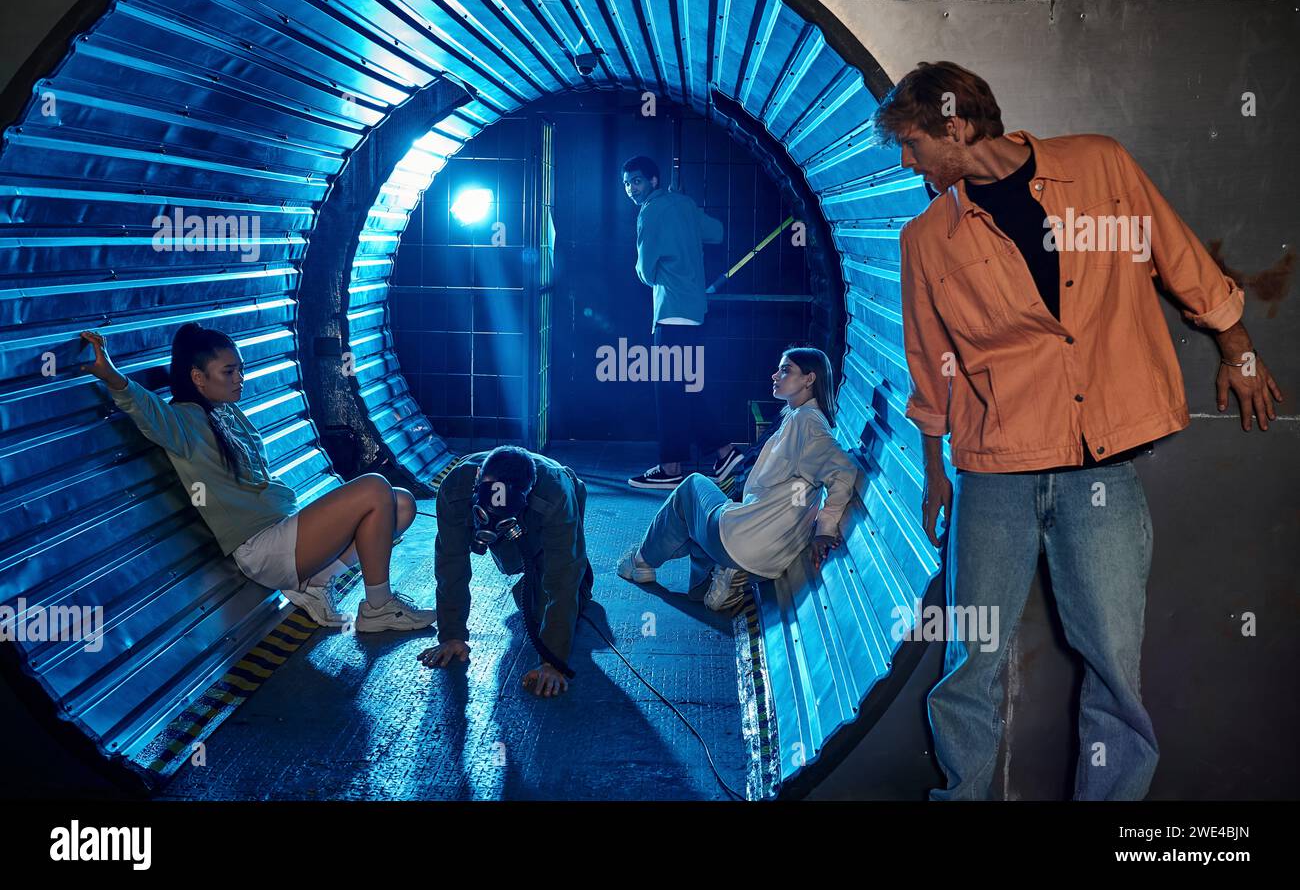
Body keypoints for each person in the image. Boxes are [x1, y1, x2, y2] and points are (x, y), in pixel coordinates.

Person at [874, 61, 1284, 800]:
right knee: (970, 659)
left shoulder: (1101, 167)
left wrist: (1238, 347)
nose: (907, 162)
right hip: (994, 467)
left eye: (911, 144)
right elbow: (928, 362)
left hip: (1101, 468)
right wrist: (935, 474)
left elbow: (1178, 255)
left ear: (955, 127)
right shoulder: (925, 237)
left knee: (1113, 665)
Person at [78, 324, 435, 633]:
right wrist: (109, 372)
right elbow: (145, 409)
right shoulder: (183, 422)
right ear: (197, 378)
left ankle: (315, 583)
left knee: (401, 503)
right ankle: (378, 607)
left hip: (286, 531)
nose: (240, 379)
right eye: (228, 372)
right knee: (374, 488)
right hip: (262, 548)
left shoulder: (227, 412)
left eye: (241, 370)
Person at [618, 347, 859, 612]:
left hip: (744, 540)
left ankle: (640, 562)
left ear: (809, 379)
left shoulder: (808, 423)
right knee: (699, 522)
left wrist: (824, 530)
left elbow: (844, 470)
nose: (774, 375)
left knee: (691, 486)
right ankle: (713, 582)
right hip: (772, 557)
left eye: (785, 370)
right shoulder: (802, 418)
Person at [417, 446, 594, 697]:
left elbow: (562, 579)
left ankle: (581, 580)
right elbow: (450, 563)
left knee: (553, 588)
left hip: (557, 499)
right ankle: (531, 579)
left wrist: (552, 662)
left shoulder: (556, 495)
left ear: (529, 492)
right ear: (478, 476)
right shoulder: (455, 487)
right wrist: (451, 635)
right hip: (502, 507)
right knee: (519, 568)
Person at [621, 155, 744, 489]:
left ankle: (674, 466)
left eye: (637, 181)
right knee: (682, 388)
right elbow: (716, 233)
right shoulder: (684, 203)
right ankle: (723, 453)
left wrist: (660, 269)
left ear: (653, 181)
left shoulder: (648, 211)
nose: (632, 189)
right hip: (694, 311)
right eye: (628, 184)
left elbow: (645, 272)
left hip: (671, 312)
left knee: (670, 391)